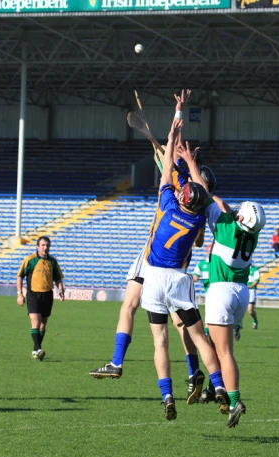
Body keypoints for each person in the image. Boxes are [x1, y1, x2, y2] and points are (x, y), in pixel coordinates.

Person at [90, 91, 218, 409]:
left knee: (129, 307)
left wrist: (178, 113)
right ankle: (194, 373)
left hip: (152, 257)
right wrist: (169, 141)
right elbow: (200, 240)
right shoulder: (197, 203)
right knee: (182, 324)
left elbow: (174, 144)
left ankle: (118, 363)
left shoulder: (174, 184)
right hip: (179, 266)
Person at [141, 108, 225, 421]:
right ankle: (219, 387)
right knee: (200, 337)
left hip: (153, 279)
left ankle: (166, 395)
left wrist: (175, 126)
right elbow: (201, 189)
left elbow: (167, 172)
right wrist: (188, 161)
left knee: (160, 341)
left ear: (180, 195)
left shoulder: (166, 201)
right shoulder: (200, 217)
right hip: (179, 280)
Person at [203, 197, 266, 427]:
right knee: (212, 342)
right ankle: (213, 387)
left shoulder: (226, 227)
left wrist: (191, 165)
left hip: (221, 289)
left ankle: (234, 401)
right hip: (241, 292)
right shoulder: (253, 233)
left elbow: (211, 201)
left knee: (223, 351)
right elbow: (229, 211)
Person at [17, 236, 65, 361]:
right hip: (33, 294)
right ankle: (39, 349)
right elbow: (20, 276)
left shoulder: (53, 261)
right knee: (36, 322)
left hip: (48, 295)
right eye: (43, 245)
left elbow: (57, 278)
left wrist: (61, 290)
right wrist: (20, 294)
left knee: (43, 324)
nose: (45, 247)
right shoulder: (30, 260)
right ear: (37, 246)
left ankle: (35, 350)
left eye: (47, 245)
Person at [247, 264, 260, 330]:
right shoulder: (242, 268)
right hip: (242, 290)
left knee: (250, 311)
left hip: (251, 291)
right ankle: (238, 325)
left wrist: (250, 286)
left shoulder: (254, 269)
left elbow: (257, 280)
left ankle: (255, 321)